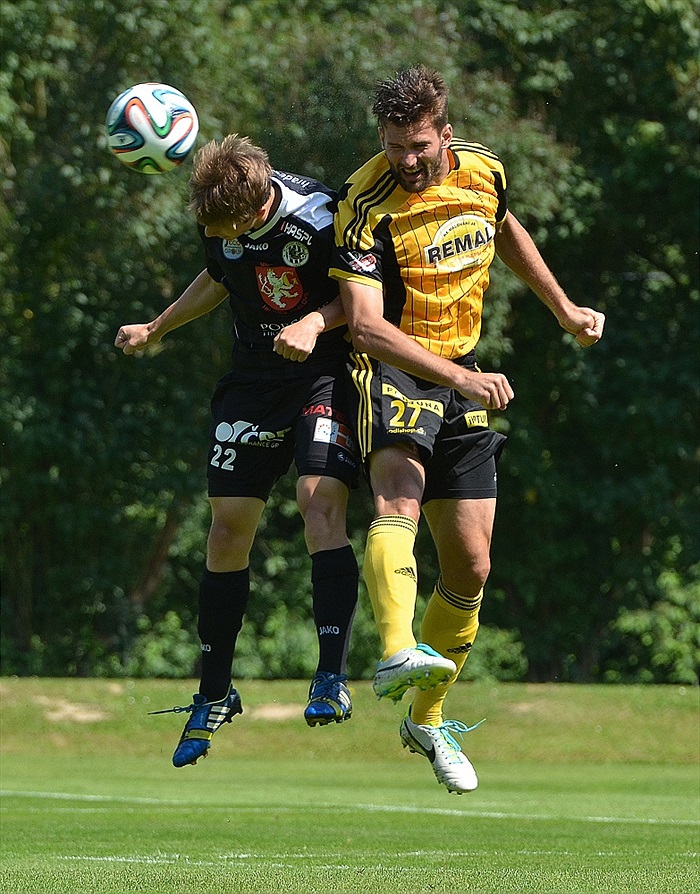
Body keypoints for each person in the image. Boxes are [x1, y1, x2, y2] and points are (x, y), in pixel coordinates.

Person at [330, 66, 604, 793]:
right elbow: (363, 326)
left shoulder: (484, 171)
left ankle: (426, 718)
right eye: (393, 147)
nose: (407, 160)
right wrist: (456, 380)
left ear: (443, 134)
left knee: (473, 569)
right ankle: (394, 647)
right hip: (395, 367)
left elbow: (503, 228)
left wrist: (563, 308)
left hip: (464, 370)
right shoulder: (363, 203)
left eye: (418, 145)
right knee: (399, 499)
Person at [115, 134, 360, 768]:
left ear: (255, 212)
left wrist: (313, 321)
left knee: (317, 501)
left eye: (228, 229)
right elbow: (219, 279)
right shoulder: (219, 217)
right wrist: (157, 326)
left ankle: (331, 676)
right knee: (227, 529)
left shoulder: (324, 214)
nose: (219, 235)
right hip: (252, 380)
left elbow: (364, 296)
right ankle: (214, 691)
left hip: (322, 373)